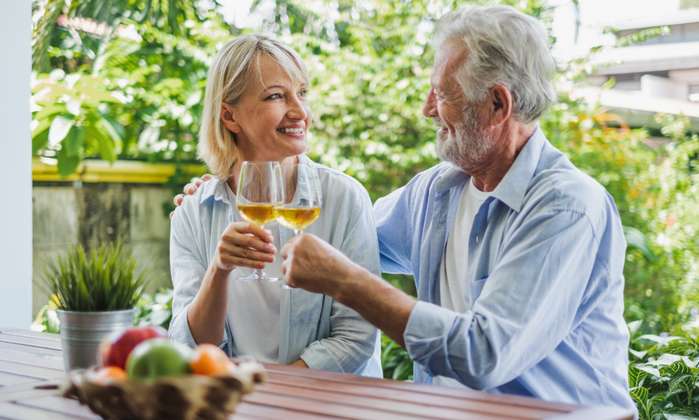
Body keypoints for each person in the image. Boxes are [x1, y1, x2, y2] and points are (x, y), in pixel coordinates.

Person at [278, 5, 636, 411]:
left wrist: (347, 282)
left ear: (498, 105)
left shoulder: (566, 208)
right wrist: (227, 191)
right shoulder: (436, 190)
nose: (428, 109)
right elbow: (337, 238)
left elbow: (485, 354)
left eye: (443, 93)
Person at [169, 34, 382, 377]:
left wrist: (269, 395)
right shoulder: (194, 212)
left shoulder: (345, 198)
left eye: (302, 93)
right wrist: (219, 269)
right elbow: (193, 348)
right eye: (276, 96)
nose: (300, 112)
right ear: (229, 116)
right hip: (239, 405)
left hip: (330, 405)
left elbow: (355, 338)